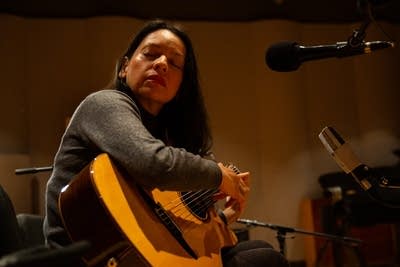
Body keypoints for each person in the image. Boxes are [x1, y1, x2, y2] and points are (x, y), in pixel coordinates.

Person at [44, 20, 289, 267]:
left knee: (260, 248)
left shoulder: (164, 134)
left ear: (181, 87)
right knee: (265, 259)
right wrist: (219, 175)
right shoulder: (104, 104)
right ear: (125, 67)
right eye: (150, 54)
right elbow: (154, 164)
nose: (161, 64)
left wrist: (222, 220)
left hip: (132, 252)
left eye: (174, 62)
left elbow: (157, 224)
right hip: (86, 259)